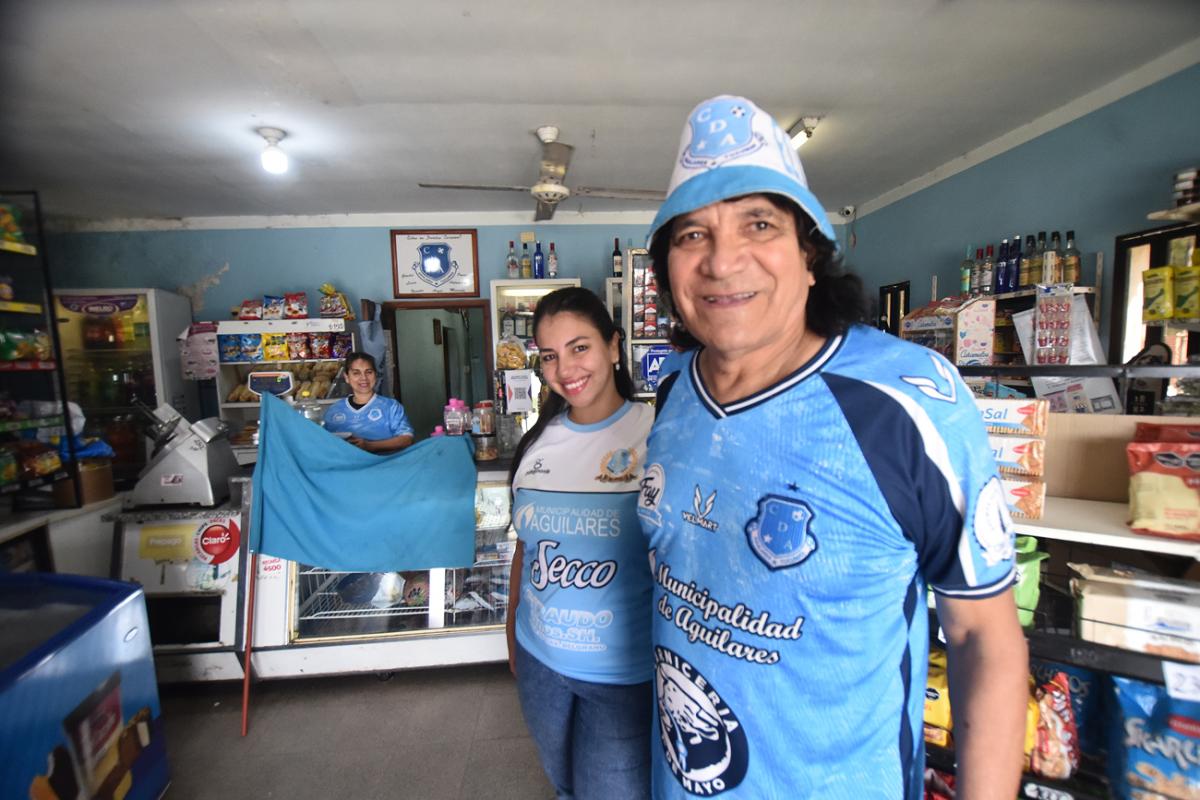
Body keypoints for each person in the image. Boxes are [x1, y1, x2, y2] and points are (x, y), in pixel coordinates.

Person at [637, 96, 1028, 799]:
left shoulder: (905, 403)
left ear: (810, 254)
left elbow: (984, 639)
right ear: (667, 270)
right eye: (693, 235)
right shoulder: (673, 396)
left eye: (759, 224)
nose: (722, 261)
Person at [506, 287, 654, 800]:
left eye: (580, 347)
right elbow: (525, 549)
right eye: (549, 355)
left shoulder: (656, 434)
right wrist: (512, 633)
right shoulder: (537, 443)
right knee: (564, 786)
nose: (564, 368)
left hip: (623, 674)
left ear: (613, 346)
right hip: (540, 662)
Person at [322, 351, 414, 453]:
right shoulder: (334, 410)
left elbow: (406, 439)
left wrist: (370, 446)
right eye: (356, 373)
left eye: (369, 372)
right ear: (347, 377)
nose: (364, 378)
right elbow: (322, 441)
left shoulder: (391, 407)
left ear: (376, 375)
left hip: (384, 462)